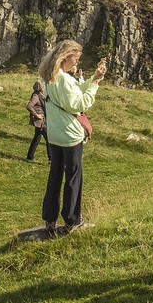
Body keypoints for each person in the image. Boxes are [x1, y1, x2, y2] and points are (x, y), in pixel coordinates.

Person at [39, 40, 107, 235]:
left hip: (55, 134)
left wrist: (94, 78)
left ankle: (50, 220)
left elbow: (75, 90)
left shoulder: (51, 76)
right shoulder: (64, 80)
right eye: (76, 58)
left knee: (55, 175)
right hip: (70, 135)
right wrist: (95, 84)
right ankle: (72, 220)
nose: (77, 62)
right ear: (66, 57)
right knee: (73, 177)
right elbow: (80, 104)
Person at [26, 81, 49, 163]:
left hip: (41, 121)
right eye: (43, 86)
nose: (44, 88)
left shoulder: (40, 95)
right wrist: (37, 115)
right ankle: (51, 159)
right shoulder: (36, 95)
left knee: (36, 139)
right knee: (49, 139)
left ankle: (30, 157)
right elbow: (29, 106)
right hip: (40, 122)